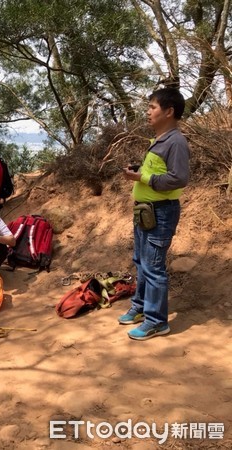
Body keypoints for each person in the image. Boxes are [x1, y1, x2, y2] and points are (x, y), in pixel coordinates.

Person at [119, 87, 190, 341]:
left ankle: (157, 321)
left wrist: (142, 177)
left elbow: (179, 178)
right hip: (145, 211)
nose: (148, 111)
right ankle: (140, 307)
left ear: (169, 112)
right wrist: (139, 173)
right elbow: (160, 173)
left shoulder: (176, 142)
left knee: (154, 267)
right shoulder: (160, 140)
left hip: (161, 213)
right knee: (141, 262)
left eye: (152, 107)